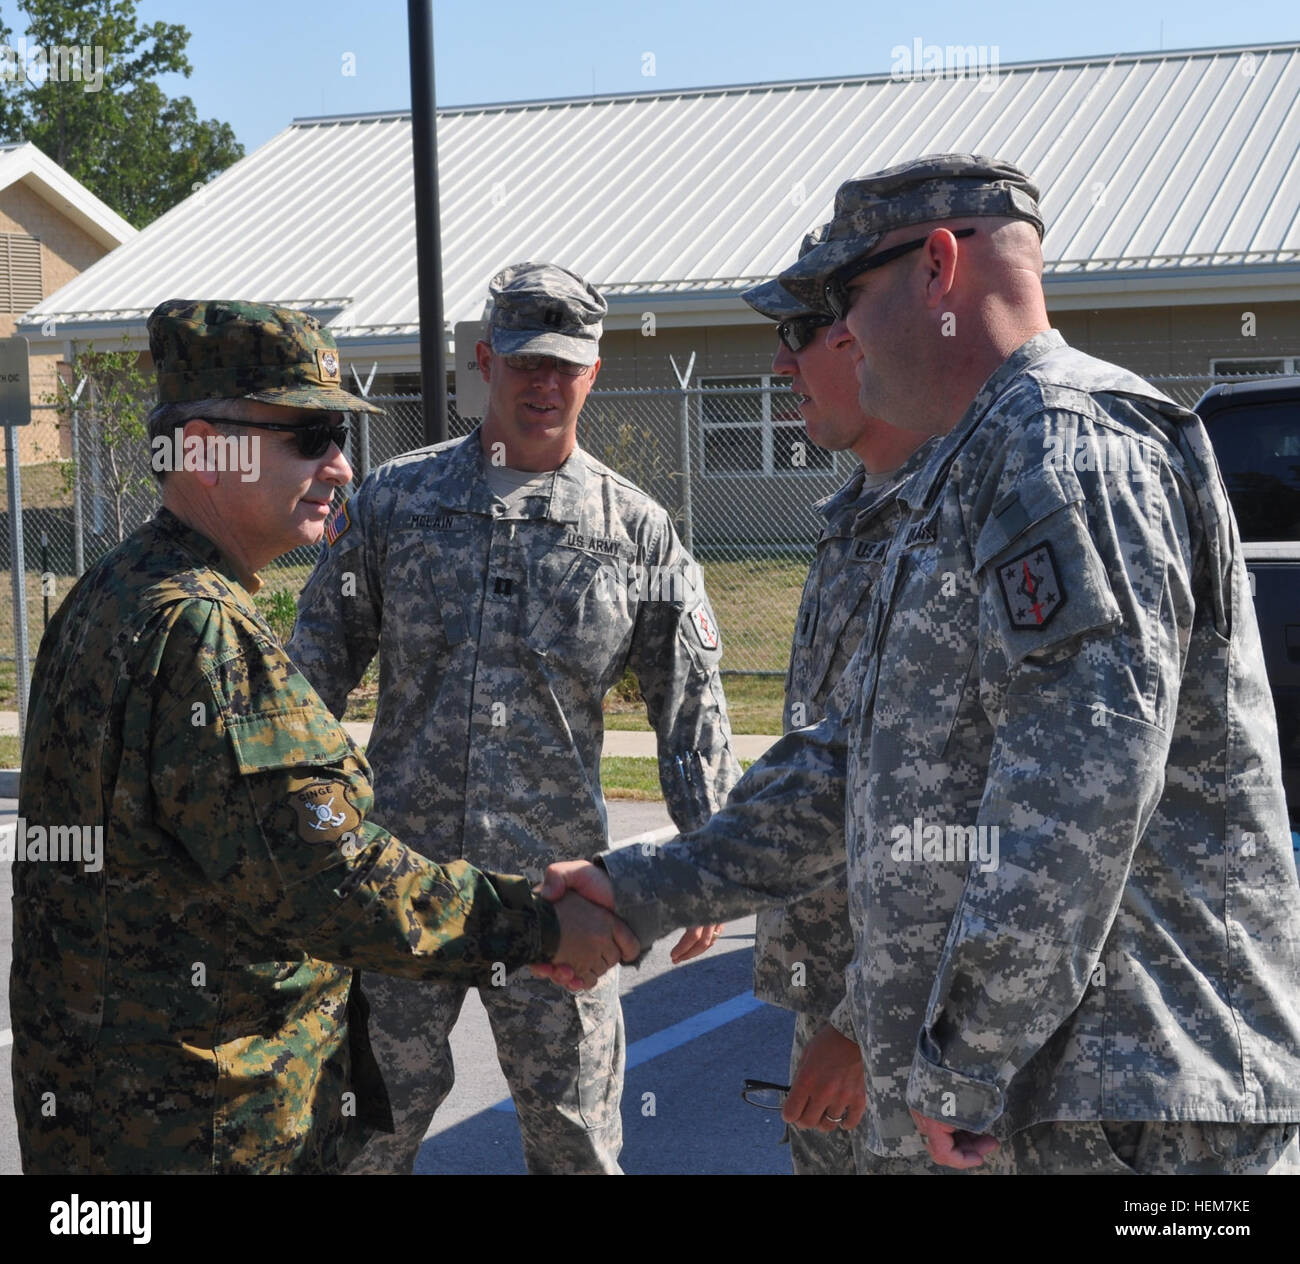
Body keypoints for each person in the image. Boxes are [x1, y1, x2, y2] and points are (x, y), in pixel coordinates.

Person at [540, 156, 1300, 1175]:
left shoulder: (1067, 450)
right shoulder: (966, 471)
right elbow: (854, 765)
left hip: (1142, 1111)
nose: (839, 331)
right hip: (1055, 1104)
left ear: (938, 266)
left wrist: (963, 1059)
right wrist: (633, 886)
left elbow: (1077, 796)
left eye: (846, 297)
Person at [9, 299, 635, 1176]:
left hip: (111, 1122)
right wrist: (537, 924)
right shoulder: (203, 633)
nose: (341, 466)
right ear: (200, 448)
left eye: (339, 433)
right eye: (306, 435)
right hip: (209, 1129)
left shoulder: (114, 591)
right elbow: (330, 879)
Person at [289, 261, 740, 1176]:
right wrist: (295, 831)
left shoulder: (634, 532)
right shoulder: (396, 505)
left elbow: (690, 712)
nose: (544, 384)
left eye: (564, 366)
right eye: (525, 362)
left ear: (593, 373)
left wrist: (710, 860)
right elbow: (310, 675)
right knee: (364, 1136)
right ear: (486, 361)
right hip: (401, 888)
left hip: (558, 901)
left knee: (575, 1141)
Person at [737, 228, 934, 1174]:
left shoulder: (958, 518)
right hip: (834, 994)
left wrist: (864, 1025)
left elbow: (975, 818)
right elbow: (828, 766)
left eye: (801, 331)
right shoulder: (852, 521)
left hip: (917, 1019)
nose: (782, 364)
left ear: (860, 337)